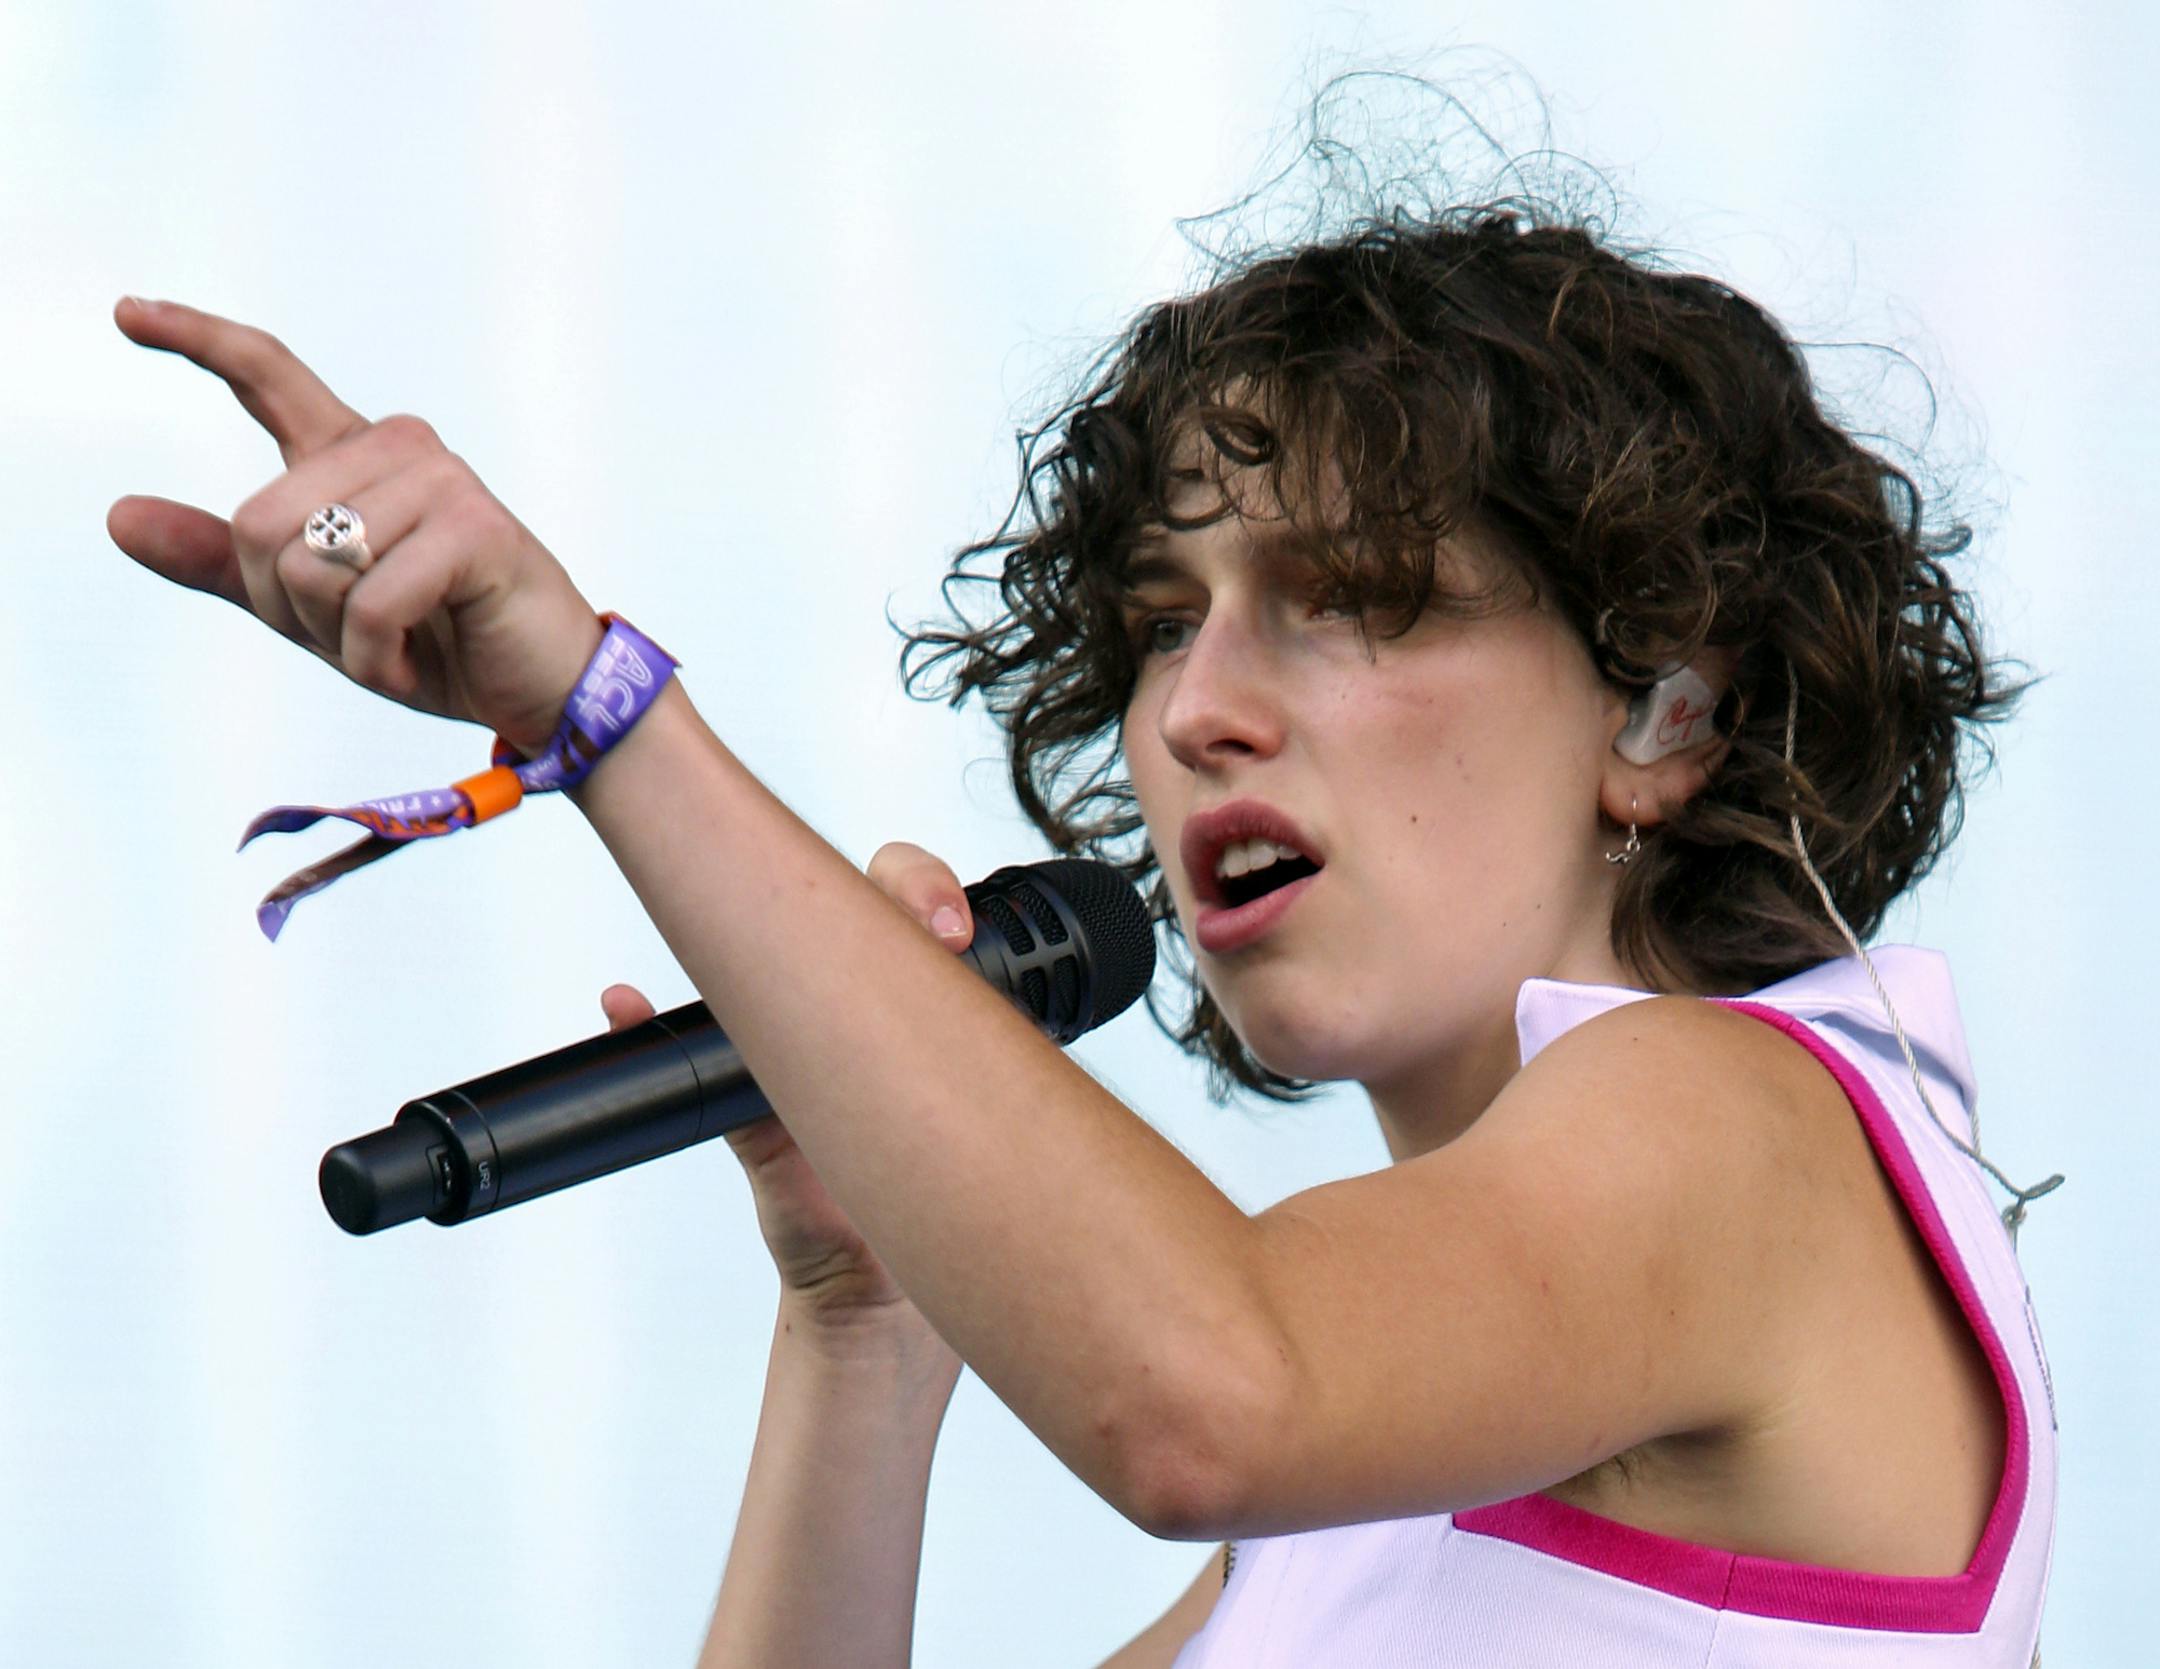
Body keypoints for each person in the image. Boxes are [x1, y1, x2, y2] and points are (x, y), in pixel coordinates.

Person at [107, 193, 2056, 1665]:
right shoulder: (1349, 1533)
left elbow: (1203, 1397)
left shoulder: (1745, 1121)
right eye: (1156, 619)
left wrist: (596, 705)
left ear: (1664, 714)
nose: (1197, 706)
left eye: (1355, 592)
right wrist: (860, 1328)